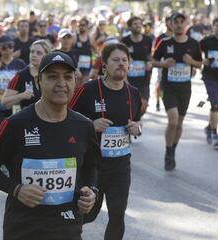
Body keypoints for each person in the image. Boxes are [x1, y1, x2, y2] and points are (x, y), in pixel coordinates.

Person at [0, 51, 99, 240]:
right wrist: (17, 189)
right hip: (23, 228)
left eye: (68, 77)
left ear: (75, 82)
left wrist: (91, 191)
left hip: (67, 226)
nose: (61, 83)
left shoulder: (84, 126)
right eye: (52, 77)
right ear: (38, 82)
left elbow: (91, 167)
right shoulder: (14, 124)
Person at [69, 43, 142, 240]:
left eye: (124, 60)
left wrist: (137, 128)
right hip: (91, 166)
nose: (121, 64)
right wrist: (90, 125)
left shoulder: (133, 93)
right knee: (88, 214)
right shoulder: (87, 90)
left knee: (117, 215)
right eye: (116, 60)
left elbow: (137, 121)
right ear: (104, 65)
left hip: (120, 166)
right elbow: (65, 118)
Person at [152, 12, 202, 171]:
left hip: (185, 89)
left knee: (179, 124)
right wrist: (163, 64)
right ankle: (167, 153)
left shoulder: (194, 44)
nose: (179, 25)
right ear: (170, 25)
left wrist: (192, 62)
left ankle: (173, 150)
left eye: (182, 21)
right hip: (168, 87)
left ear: (186, 24)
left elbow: (200, 64)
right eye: (176, 22)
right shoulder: (165, 43)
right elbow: (152, 61)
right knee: (172, 121)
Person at [200, 17, 218, 148]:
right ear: (213, 27)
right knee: (214, 103)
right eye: (216, 25)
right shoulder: (206, 41)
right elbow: (195, 52)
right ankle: (214, 133)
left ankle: (209, 126)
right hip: (210, 76)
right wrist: (202, 61)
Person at [2, 40, 51, 112]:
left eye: (39, 53)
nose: (34, 55)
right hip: (27, 119)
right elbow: (4, 102)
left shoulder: (52, 75)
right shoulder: (20, 75)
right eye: (32, 52)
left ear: (46, 56)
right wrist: (21, 96)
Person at [121, 16, 153, 116]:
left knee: (144, 105)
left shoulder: (148, 40)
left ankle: (136, 121)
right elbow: (119, 55)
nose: (138, 26)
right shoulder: (124, 41)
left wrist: (150, 63)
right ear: (130, 27)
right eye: (135, 24)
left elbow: (152, 56)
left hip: (144, 79)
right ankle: (133, 124)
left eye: (139, 23)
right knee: (130, 106)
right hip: (128, 79)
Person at [154, 16, 173, 112]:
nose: (172, 23)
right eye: (170, 21)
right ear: (166, 23)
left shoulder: (179, 36)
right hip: (162, 65)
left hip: (175, 67)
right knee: (160, 85)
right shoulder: (160, 38)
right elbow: (154, 53)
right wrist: (161, 63)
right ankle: (158, 101)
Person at [73, 18, 93, 85]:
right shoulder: (75, 37)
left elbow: (96, 51)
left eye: (83, 25)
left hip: (87, 65)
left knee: (84, 86)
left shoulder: (90, 38)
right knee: (77, 86)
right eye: (79, 25)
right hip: (77, 65)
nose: (81, 27)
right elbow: (70, 51)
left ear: (87, 26)